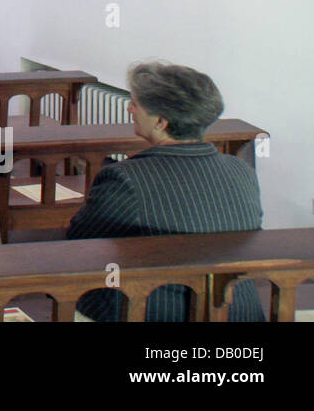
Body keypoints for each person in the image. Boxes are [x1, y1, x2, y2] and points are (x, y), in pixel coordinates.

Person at [66, 62, 263, 322]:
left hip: (155, 311)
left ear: (160, 122)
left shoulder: (125, 178)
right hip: (238, 309)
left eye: (135, 103)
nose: (129, 109)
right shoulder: (241, 169)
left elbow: (79, 242)